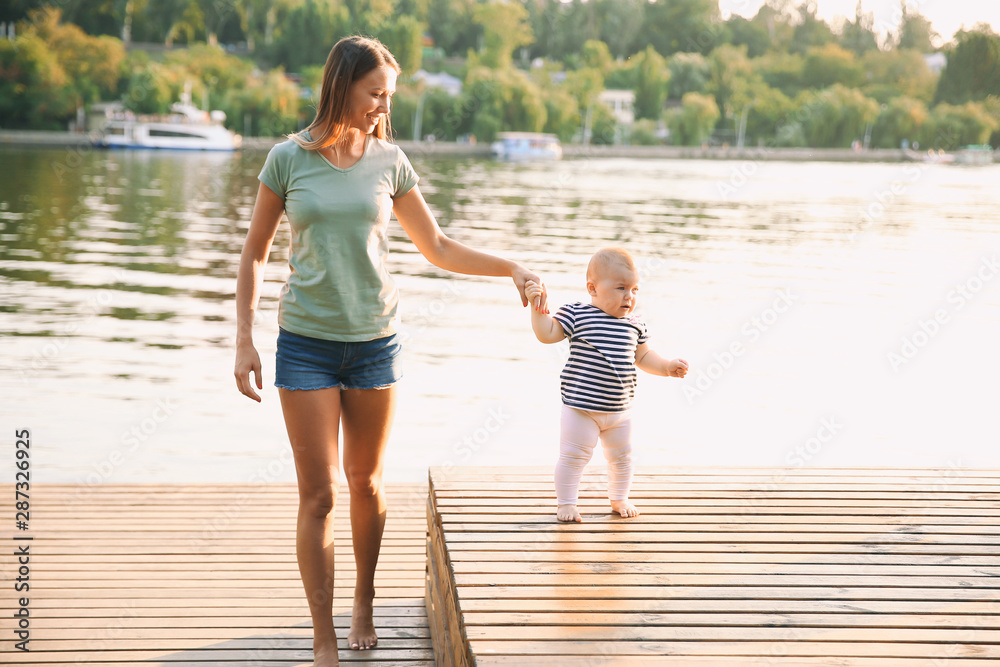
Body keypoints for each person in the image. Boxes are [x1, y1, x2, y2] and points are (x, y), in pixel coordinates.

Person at [233, 35, 545, 666]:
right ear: (341, 84)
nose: (382, 105)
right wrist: (244, 336)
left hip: (375, 343)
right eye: (375, 92)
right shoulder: (286, 159)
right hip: (305, 344)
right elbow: (256, 253)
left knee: (366, 482)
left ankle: (365, 598)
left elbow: (439, 247)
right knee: (317, 494)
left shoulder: (390, 161)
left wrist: (511, 266)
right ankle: (322, 635)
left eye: (389, 95)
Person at [523, 248, 688, 523]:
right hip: (581, 409)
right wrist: (537, 307)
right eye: (621, 287)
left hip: (620, 412)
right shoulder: (577, 314)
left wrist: (667, 367)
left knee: (622, 458)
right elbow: (547, 333)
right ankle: (566, 503)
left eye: (634, 289)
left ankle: (619, 498)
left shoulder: (635, 324)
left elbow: (644, 356)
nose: (629, 296)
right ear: (593, 288)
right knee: (573, 457)